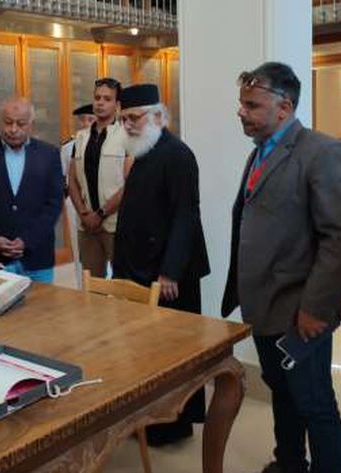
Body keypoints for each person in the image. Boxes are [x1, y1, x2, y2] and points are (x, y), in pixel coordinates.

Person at [222, 62, 341, 473]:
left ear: (284, 107)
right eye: (242, 103)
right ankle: (290, 462)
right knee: (282, 392)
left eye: (252, 105)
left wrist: (316, 308)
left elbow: (340, 238)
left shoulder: (323, 152)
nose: (241, 112)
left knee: (314, 402)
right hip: (265, 304)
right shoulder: (260, 151)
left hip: (301, 310)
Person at [112, 83, 210, 445]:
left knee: (174, 352)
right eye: (124, 119)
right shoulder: (144, 151)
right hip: (141, 269)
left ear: (157, 115)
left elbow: (186, 215)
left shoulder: (177, 154)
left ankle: (174, 423)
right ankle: (152, 418)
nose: (128, 125)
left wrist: (170, 270)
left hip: (169, 275)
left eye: (134, 118)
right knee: (148, 352)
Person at [0, 97, 64, 283]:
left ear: (31, 125)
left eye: (21, 124)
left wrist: (28, 240)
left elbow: (54, 203)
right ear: (0, 121)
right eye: (8, 122)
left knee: (43, 303)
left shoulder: (49, 154)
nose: (13, 129)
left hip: (37, 258)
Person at [68, 78, 129, 278]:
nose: (100, 103)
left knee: (122, 282)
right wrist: (84, 214)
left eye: (107, 99)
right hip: (86, 225)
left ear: (117, 105)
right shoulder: (81, 137)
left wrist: (101, 214)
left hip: (114, 224)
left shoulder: (126, 136)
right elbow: (72, 180)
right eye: (97, 98)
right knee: (91, 284)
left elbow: (129, 184)